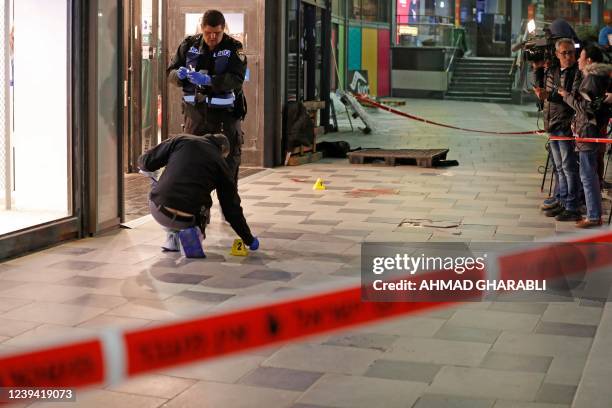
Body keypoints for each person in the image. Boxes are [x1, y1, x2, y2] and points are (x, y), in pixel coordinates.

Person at [138, 133, 259, 252]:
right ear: (222, 149)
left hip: (159, 211)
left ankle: (172, 238)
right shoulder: (221, 164)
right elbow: (231, 208)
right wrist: (249, 239)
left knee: (158, 182)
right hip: (187, 220)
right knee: (202, 198)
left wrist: (144, 166)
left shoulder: (182, 139)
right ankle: (196, 231)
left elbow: (147, 161)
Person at [167, 9, 247, 183]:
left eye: (217, 33)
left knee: (227, 173)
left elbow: (237, 79)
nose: (212, 37)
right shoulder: (189, 45)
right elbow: (170, 73)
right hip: (194, 118)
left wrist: (210, 80)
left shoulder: (233, 48)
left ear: (223, 28)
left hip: (224, 118)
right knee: (192, 169)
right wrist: (177, 75)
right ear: (201, 28)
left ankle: (229, 208)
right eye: (208, 33)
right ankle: (199, 209)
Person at [559, 46, 612, 228]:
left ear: (589, 60)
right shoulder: (598, 77)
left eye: (580, 56)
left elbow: (586, 108)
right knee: (590, 174)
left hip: (588, 131)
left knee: (588, 175)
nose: (578, 60)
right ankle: (593, 214)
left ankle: (593, 216)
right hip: (590, 130)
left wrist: (566, 96)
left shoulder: (591, 79)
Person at [534, 38, 582, 222]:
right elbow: (542, 91)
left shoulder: (577, 72)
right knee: (559, 167)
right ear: (556, 54)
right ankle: (562, 200)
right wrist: (537, 70)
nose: (568, 56)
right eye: (564, 53)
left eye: (571, 52)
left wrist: (550, 95)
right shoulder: (552, 70)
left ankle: (572, 205)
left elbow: (571, 96)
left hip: (565, 124)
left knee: (569, 167)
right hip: (551, 123)